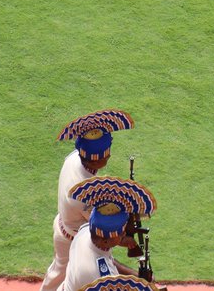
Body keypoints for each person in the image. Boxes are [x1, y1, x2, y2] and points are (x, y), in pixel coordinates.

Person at [40, 109, 135, 291]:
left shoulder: (75, 158)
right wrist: (123, 238)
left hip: (67, 227)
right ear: (96, 159)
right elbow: (100, 221)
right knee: (62, 273)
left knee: (57, 275)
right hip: (71, 236)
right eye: (106, 153)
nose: (109, 155)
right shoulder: (82, 195)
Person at [60, 176, 157, 291]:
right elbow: (106, 271)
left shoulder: (85, 232)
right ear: (105, 240)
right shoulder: (100, 276)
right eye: (121, 232)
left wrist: (137, 277)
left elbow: (109, 260)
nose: (124, 233)